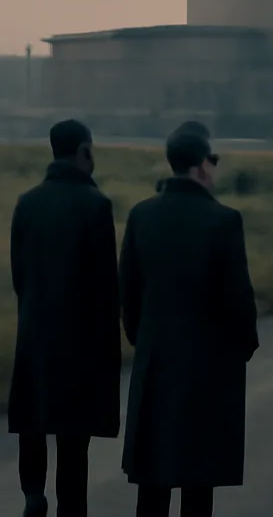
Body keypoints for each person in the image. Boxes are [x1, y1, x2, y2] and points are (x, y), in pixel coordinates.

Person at [120, 126, 259, 517]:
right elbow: (238, 301)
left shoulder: (141, 215)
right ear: (201, 165)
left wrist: (144, 341)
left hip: (157, 362)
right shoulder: (223, 221)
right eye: (212, 160)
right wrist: (241, 349)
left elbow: (128, 293)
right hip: (207, 369)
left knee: (152, 479)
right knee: (198, 482)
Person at [8, 119, 121, 517]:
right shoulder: (96, 206)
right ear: (83, 152)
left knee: (33, 428)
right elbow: (107, 289)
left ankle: (32, 496)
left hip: (35, 336)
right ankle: (69, 509)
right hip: (79, 345)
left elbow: (19, 275)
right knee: (73, 446)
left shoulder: (27, 202)